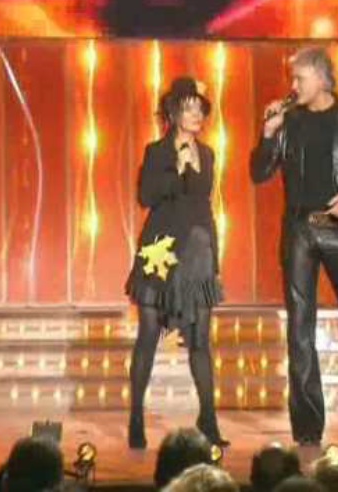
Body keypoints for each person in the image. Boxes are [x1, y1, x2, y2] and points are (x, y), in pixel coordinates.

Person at [250, 47, 338, 450]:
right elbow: (259, 172)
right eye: (293, 79)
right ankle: (308, 429)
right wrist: (268, 134)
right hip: (300, 231)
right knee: (300, 329)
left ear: (322, 78)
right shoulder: (288, 121)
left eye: (300, 78)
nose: (294, 85)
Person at [125, 76, 229, 449]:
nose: (197, 115)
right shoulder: (157, 151)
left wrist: (214, 260)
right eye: (189, 108)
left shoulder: (209, 154)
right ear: (173, 113)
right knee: (149, 333)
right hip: (161, 250)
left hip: (197, 253)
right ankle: (136, 417)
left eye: (200, 109)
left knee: (200, 339)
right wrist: (176, 169)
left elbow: (205, 207)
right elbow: (146, 195)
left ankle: (209, 420)